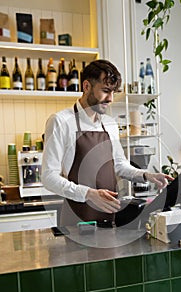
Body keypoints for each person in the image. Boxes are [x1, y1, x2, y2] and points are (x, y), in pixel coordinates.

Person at [42, 59, 172, 226]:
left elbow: (119, 164)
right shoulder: (60, 121)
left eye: (113, 92)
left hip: (109, 218)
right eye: (105, 91)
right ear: (86, 86)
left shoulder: (109, 124)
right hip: (76, 221)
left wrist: (146, 175)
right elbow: (48, 177)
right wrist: (89, 194)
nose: (110, 99)